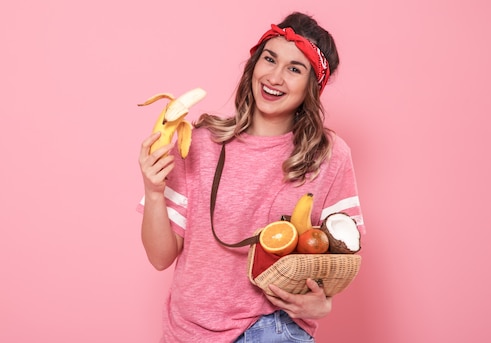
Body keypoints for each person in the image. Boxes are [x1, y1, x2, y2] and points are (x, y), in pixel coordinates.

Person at [137, 11, 365, 343]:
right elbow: (160, 257)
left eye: (294, 69)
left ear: (311, 87)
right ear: (254, 64)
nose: (275, 77)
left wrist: (323, 303)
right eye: (269, 59)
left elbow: (345, 253)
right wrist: (153, 191)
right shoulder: (199, 142)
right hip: (187, 330)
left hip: (274, 329)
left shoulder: (329, 154)